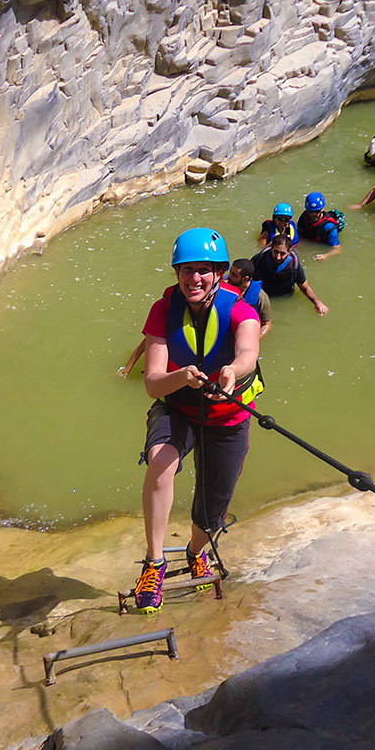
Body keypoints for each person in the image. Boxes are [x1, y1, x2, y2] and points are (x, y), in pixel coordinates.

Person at [132, 228, 262, 614]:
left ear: (219, 273)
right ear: (177, 274)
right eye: (186, 270)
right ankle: (154, 564)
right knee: (160, 459)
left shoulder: (241, 310)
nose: (194, 278)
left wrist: (231, 373)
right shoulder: (162, 310)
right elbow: (153, 384)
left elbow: (248, 352)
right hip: (178, 407)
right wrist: (181, 377)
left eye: (203, 270)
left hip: (227, 416)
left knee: (213, 506)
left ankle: (195, 551)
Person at [251, 233, 330, 314]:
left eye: (282, 253)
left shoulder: (294, 266)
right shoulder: (260, 259)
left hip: (284, 299)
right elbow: (246, 279)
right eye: (276, 251)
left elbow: (305, 288)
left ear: (289, 251)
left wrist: (317, 302)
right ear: (271, 248)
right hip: (262, 298)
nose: (278, 257)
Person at [227, 258, 273, 337]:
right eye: (230, 272)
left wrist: (252, 341)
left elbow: (267, 325)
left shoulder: (261, 297)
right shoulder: (224, 286)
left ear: (245, 279)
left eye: (234, 275)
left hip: (246, 333)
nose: (229, 277)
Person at [297, 192, 345, 261]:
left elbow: (338, 249)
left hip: (322, 241)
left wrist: (326, 256)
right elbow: (300, 232)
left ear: (322, 209)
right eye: (311, 211)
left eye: (317, 211)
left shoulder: (329, 227)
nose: (313, 214)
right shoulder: (304, 217)